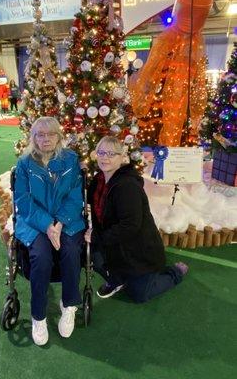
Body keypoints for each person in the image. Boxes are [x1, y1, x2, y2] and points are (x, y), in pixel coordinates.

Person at [85, 136, 188, 303]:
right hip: (115, 246)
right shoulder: (99, 180)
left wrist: (98, 237)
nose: (105, 157)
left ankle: (175, 272)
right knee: (89, 255)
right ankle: (117, 280)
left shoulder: (127, 186)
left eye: (111, 153)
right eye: (101, 152)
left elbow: (130, 226)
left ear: (122, 157)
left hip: (137, 253)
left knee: (139, 295)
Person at [14, 117, 85, 346]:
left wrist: (60, 224)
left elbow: (75, 197)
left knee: (72, 250)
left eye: (50, 134)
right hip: (36, 221)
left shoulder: (71, 160)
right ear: (33, 137)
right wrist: (47, 225)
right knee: (41, 256)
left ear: (58, 136)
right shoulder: (25, 164)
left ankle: (69, 305)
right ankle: (38, 316)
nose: (46, 139)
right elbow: (23, 202)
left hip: (67, 220)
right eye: (40, 135)